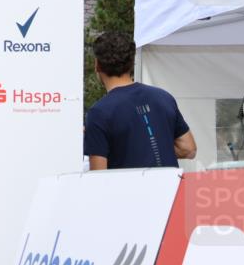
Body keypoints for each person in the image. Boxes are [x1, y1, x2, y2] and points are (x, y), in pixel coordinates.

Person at [84, 31, 196, 170]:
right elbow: (189, 149)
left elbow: (98, 177)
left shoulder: (99, 113)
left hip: (130, 191)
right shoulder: (163, 97)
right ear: (132, 63)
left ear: (97, 65)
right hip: (170, 189)